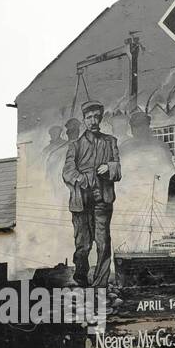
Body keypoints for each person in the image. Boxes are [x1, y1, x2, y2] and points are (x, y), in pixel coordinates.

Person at [62, 100, 121, 286]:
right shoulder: (75, 146)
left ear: (101, 118)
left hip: (102, 200)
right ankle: (81, 277)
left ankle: (100, 284)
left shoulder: (111, 142)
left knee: (103, 243)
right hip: (81, 201)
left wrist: (109, 167)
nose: (93, 121)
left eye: (96, 116)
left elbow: (118, 170)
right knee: (83, 246)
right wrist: (84, 179)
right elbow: (67, 172)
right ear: (84, 120)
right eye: (89, 117)